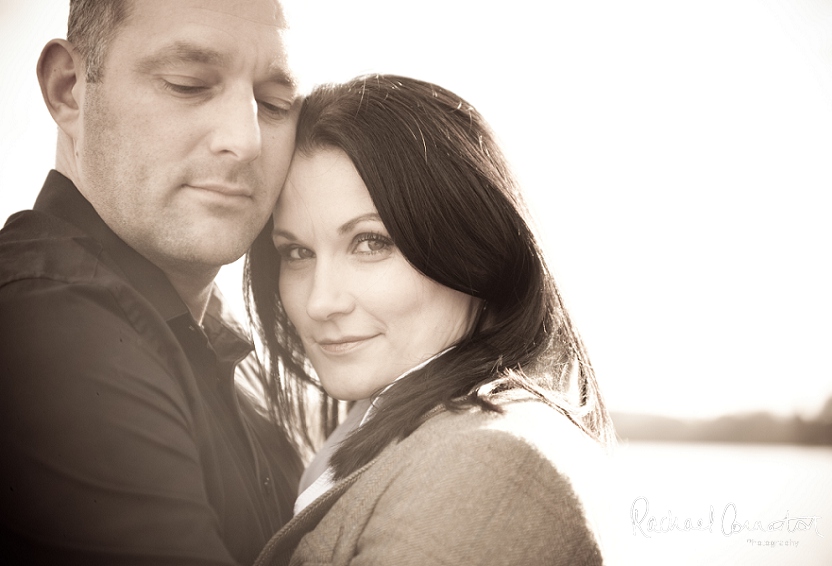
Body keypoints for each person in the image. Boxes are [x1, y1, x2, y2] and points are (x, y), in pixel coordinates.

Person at [245, 74, 617, 565]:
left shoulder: (487, 466)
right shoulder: (392, 437)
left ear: (474, 250)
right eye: (296, 252)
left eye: (371, 242)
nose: (320, 302)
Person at [0, 1, 305, 564]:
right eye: (187, 84)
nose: (246, 140)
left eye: (274, 104)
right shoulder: (48, 327)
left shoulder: (230, 353)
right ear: (69, 88)